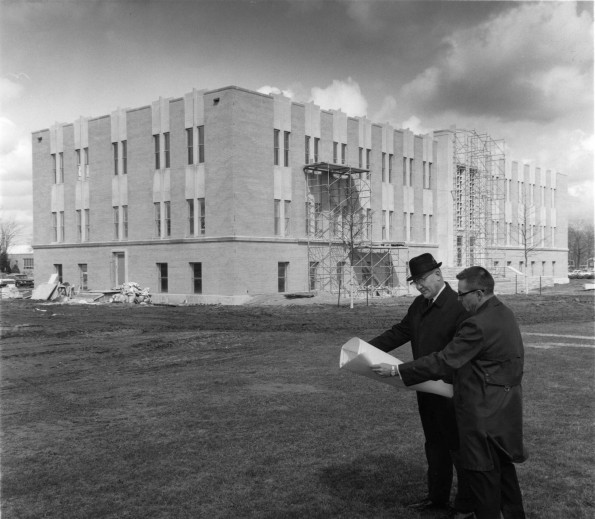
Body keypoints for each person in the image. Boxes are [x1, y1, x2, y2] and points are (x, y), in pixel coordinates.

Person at [376, 266, 527, 519]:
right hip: (504, 406)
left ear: (479, 293)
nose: (459, 299)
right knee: (504, 470)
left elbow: (445, 360)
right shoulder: (505, 313)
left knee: (482, 475)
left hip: (482, 410)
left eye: (462, 294)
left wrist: (397, 370)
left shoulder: (478, 323)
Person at [368, 253, 473, 517]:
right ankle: (437, 499)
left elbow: (457, 354)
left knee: (459, 448)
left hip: (453, 390)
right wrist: (365, 350)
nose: (419, 286)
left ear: (438, 274)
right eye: (415, 282)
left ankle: (466, 505)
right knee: (435, 445)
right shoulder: (418, 305)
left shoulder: (459, 306)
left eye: (423, 279)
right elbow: (400, 332)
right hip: (426, 389)